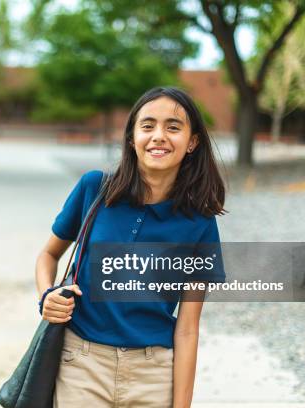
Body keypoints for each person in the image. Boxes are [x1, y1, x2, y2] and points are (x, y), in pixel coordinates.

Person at [35, 86, 228, 408]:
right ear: (131, 137)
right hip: (81, 365)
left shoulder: (200, 223)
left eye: (173, 127)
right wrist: (46, 295)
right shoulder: (94, 189)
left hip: (153, 374)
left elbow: (188, 329)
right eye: (148, 125)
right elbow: (48, 254)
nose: (159, 136)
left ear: (192, 142)